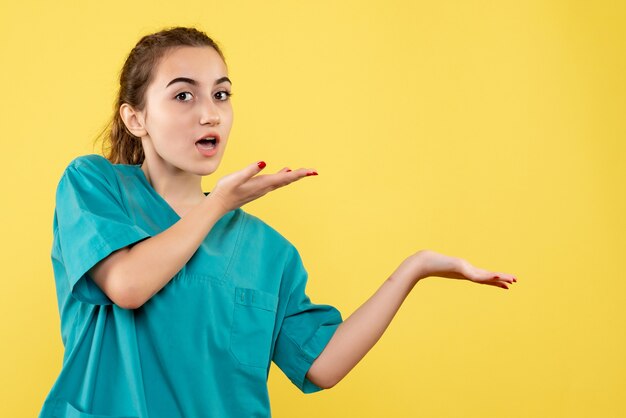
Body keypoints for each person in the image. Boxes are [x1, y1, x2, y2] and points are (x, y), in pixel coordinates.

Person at [38, 26, 517, 418]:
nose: (210, 113)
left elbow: (322, 366)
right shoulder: (94, 185)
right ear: (135, 118)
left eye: (221, 95)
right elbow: (127, 285)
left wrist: (413, 269)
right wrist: (218, 204)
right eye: (184, 96)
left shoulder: (269, 253)